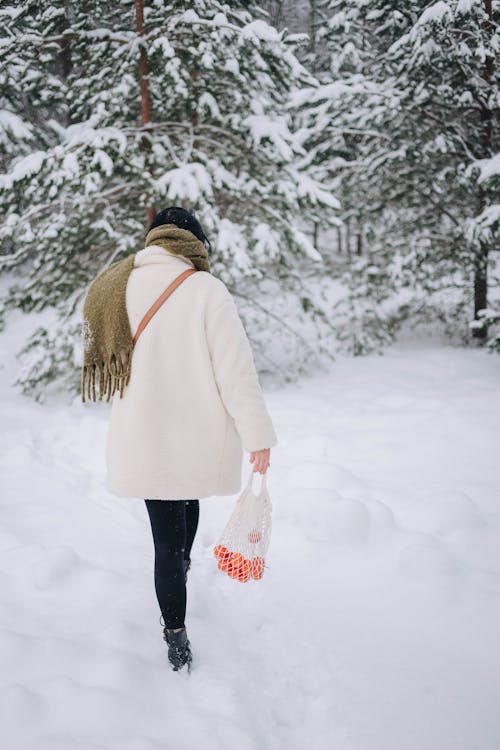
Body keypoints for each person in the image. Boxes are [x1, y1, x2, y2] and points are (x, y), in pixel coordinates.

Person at [101, 206, 277, 672]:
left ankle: (174, 601)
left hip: (142, 435)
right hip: (194, 433)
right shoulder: (206, 289)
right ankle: (175, 621)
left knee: (168, 531)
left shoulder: (117, 285)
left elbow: (100, 351)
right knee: (177, 527)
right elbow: (235, 371)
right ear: (194, 243)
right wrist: (257, 435)